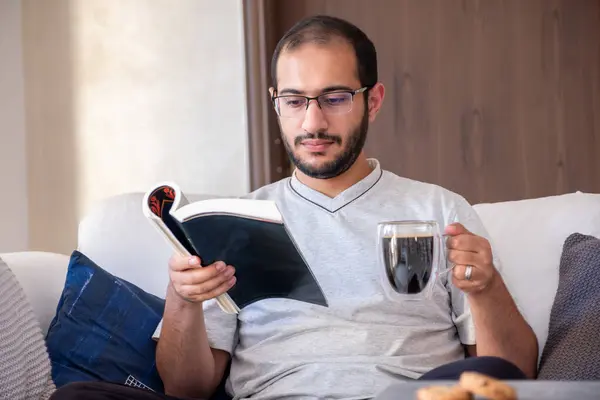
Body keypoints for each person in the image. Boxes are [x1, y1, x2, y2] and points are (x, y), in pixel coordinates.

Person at [51, 14, 538, 400]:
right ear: (276, 104)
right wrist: (184, 300)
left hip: (406, 396)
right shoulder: (236, 224)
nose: (313, 121)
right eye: (295, 99)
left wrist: (487, 289)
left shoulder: (438, 208)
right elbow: (186, 389)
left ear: (373, 101)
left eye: (335, 97)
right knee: (79, 397)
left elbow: (512, 373)